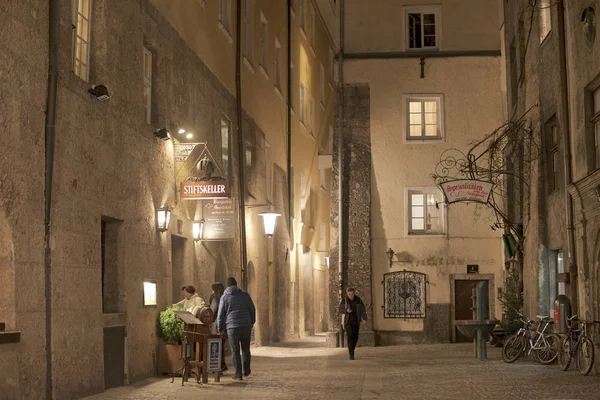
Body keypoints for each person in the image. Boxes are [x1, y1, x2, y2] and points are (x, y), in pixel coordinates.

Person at [217, 277, 256, 381]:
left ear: (227, 285)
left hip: (232, 326)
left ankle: (238, 374)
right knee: (246, 349)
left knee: (235, 350)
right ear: (236, 284)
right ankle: (246, 371)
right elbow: (252, 308)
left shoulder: (224, 297)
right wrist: (252, 321)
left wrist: (219, 328)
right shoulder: (245, 294)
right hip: (246, 325)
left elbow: (220, 314)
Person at [338, 287, 367, 360]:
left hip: (356, 321)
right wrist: (346, 310)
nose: (351, 296)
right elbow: (340, 309)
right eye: (349, 294)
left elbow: (363, 309)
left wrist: (364, 318)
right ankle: (351, 354)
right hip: (348, 322)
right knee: (350, 337)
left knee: (355, 337)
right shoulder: (344, 300)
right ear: (347, 294)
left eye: (352, 294)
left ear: (354, 293)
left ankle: (352, 349)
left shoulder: (358, 300)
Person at [209, 282, 227, 372]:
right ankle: (222, 364)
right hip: (225, 324)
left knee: (216, 345)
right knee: (221, 345)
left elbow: (212, 311)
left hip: (217, 324)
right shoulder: (225, 297)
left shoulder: (215, 298)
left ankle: (218, 365)